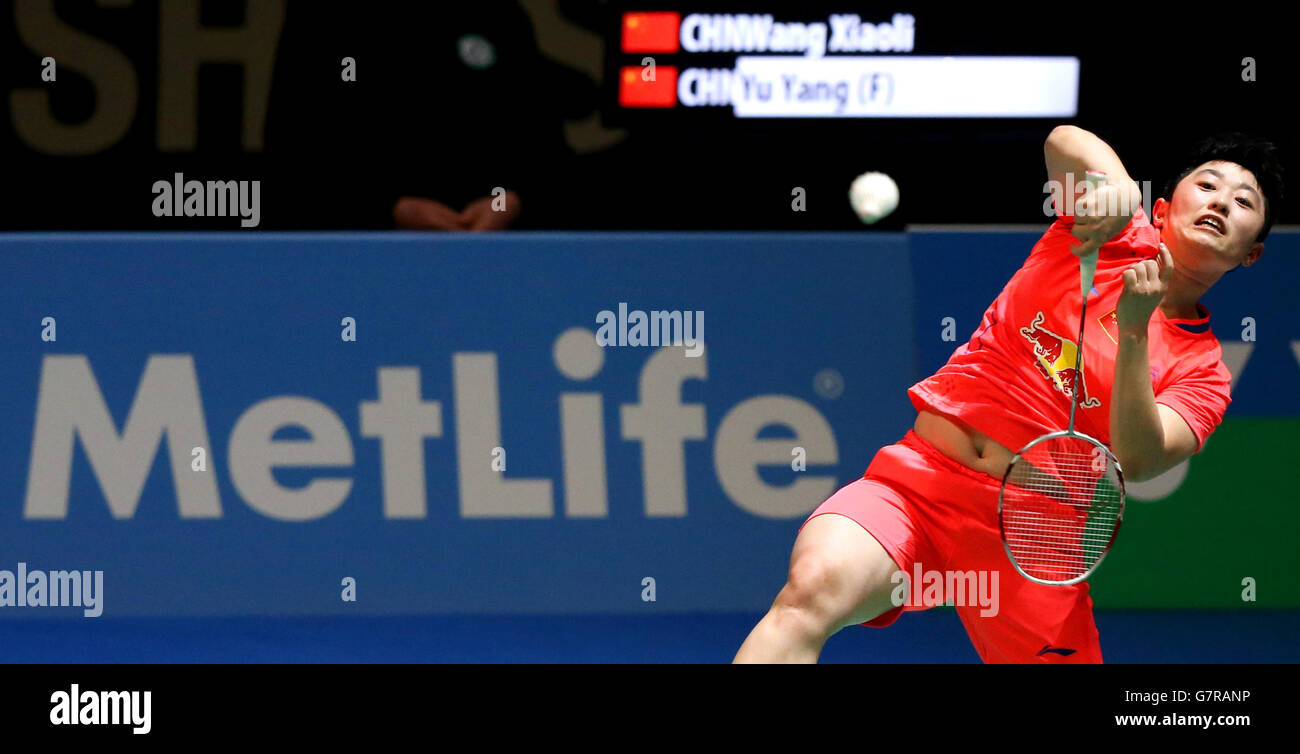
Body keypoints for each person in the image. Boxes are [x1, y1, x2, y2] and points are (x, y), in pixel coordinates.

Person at [734, 126, 1284, 663]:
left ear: (1252, 253)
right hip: (919, 488)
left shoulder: (1204, 371)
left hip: (1033, 542)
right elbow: (1063, 141)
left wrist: (1137, 332)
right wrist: (1113, 189)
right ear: (1161, 209)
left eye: (1243, 202)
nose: (1221, 203)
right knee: (811, 591)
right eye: (1207, 185)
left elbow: (1139, 459)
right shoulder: (1105, 233)